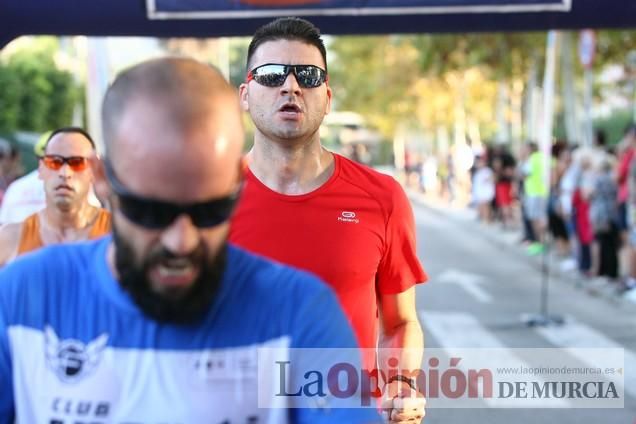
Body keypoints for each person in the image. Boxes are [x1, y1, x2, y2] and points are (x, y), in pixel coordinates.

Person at [0, 57, 382, 422]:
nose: (181, 242)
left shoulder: (298, 314)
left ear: (237, 181)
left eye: (209, 212)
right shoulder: (20, 298)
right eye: (151, 213)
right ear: (103, 183)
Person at [230, 17, 426, 423]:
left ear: (328, 96)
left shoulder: (382, 198)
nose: (290, 86)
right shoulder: (205, 200)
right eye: (271, 75)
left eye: (307, 75)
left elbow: (400, 321)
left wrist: (401, 383)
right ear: (246, 95)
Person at [0, 127, 111, 266]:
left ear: (93, 170)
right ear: (41, 168)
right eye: (55, 162)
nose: (64, 173)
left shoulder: (117, 235)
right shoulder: (10, 239)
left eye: (77, 163)